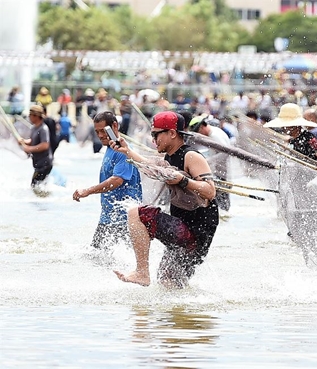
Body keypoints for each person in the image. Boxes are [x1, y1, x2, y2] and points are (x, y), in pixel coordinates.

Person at [112, 111, 219, 287]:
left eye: (156, 134)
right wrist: (128, 151)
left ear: (172, 133)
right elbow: (153, 167)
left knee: (137, 214)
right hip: (184, 231)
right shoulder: (169, 156)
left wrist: (183, 181)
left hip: (195, 234)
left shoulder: (191, 156)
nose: (153, 139)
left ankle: (141, 272)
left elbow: (210, 191)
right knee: (167, 284)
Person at [72, 111, 143, 250]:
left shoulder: (123, 151)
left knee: (115, 262)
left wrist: (87, 191)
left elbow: (117, 180)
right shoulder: (111, 148)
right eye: (97, 131)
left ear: (114, 126)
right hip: (108, 216)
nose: (99, 135)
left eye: (103, 131)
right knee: (96, 258)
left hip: (123, 218)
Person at [264, 103, 317, 167]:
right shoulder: (293, 138)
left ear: (295, 126)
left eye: (286, 125)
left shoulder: (308, 138)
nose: (283, 128)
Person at [22, 105, 53, 191]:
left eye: (30, 115)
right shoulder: (34, 128)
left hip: (45, 163)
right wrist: (24, 142)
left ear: (36, 116)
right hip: (38, 163)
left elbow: (45, 145)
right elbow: (33, 140)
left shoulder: (43, 128)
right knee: (37, 187)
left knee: (34, 186)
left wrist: (30, 149)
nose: (29, 117)